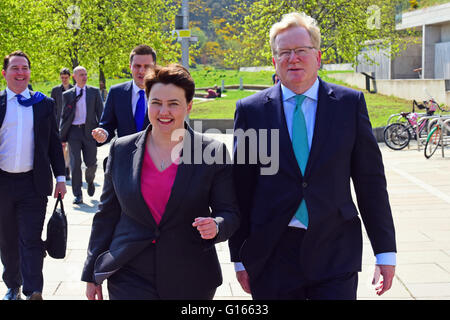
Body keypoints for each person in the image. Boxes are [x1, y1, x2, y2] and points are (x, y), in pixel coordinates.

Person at [228, 12, 396, 300]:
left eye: (301, 51)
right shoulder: (251, 111)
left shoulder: (348, 105)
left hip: (335, 249)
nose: (293, 58)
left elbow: (370, 183)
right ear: (274, 61)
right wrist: (239, 256)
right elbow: (241, 188)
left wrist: (385, 251)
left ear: (317, 57)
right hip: (271, 254)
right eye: (284, 52)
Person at [81, 64, 239, 300]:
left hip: (191, 276)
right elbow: (106, 214)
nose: (163, 111)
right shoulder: (121, 149)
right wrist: (92, 272)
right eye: (156, 102)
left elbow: (229, 212)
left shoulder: (212, 151)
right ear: (147, 102)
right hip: (128, 273)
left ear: (189, 106)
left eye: (173, 104)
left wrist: (216, 225)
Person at [0, 50, 67, 300]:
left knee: (30, 239)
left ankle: (33, 290)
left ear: (30, 72)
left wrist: (60, 178)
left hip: (33, 184)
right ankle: (12, 286)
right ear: (5, 73)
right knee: (7, 240)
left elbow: (53, 143)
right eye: (15, 68)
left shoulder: (43, 104)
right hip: (3, 183)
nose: (20, 73)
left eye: (24, 68)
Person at [91, 45, 156, 146]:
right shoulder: (117, 92)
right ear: (130, 66)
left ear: (154, 67)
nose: (141, 71)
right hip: (126, 157)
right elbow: (108, 125)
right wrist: (103, 133)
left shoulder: (165, 93)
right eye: (137, 66)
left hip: (155, 158)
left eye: (147, 66)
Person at [60, 66, 103, 204]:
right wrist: (62, 136)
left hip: (90, 131)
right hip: (74, 132)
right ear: (74, 77)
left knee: (91, 163)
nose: (84, 77)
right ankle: (78, 194)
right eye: (81, 75)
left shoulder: (94, 92)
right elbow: (64, 116)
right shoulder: (68, 95)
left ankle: (90, 180)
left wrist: (101, 130)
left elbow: (101, 113)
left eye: (85, 74)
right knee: (75, 163)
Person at [51, 67, 73, 180]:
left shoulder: (74, 89)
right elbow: (52, 108)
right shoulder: (55, 90)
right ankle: (62, 168)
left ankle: (67, 169)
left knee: (68, 148)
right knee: (61, 147)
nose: (64, 79)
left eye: (66, 77)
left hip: (71, 123)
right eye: (62, 77)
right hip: (58, 122)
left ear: (70, 77)